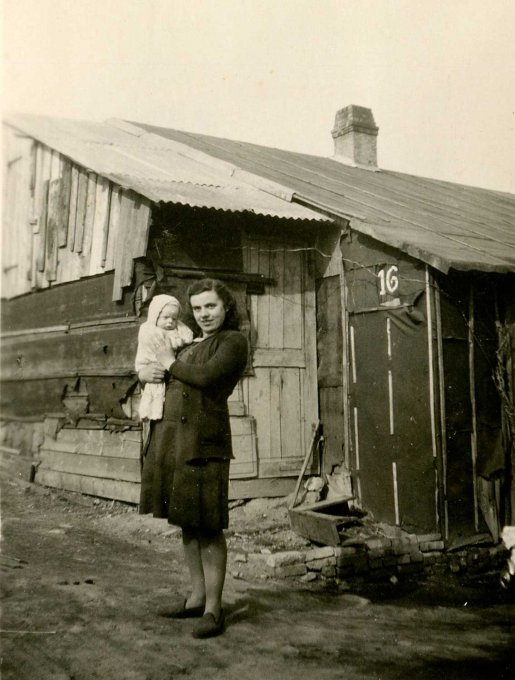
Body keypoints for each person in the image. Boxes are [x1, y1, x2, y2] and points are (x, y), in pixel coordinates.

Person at [137, 279, 248, 639]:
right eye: (198, 308)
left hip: (205, 443)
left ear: (226, 307)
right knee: (187, 523)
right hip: (177, 440)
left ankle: (214, 610)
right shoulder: (189, 341)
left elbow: (206, 377)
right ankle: (196, 598)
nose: (204, 314)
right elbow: (165, 376)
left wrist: (168, 362)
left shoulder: (232, 342)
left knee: (209, 527)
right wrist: (146, 373)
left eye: (211, 307)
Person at [135, 294, 193, 421]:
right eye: (165, 317)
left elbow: (187, 336)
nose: (170, 322)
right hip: (153, 365)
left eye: (174, 318)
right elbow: (154, 350)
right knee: (153, 393)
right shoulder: (150, 331)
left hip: (170, 373)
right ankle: (148, 413)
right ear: (155, 316)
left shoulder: (177, 329)